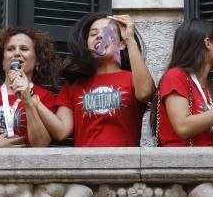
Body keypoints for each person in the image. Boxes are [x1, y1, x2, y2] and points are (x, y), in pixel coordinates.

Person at [43, 13, 154, 147]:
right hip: (86, 165)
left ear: (122, 44)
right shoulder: (74, 85)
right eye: (93, 34)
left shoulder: (132, 78)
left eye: (108, 32)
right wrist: (31, 99)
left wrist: (130, 40)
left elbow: (146, 93)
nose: (100, 36)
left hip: (126, 165)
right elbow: (61, 132)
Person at [157, 18, 213, 147]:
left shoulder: (210, 90)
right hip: (183, 164)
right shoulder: (175, 76)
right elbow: (183, 127)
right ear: (208, 43)